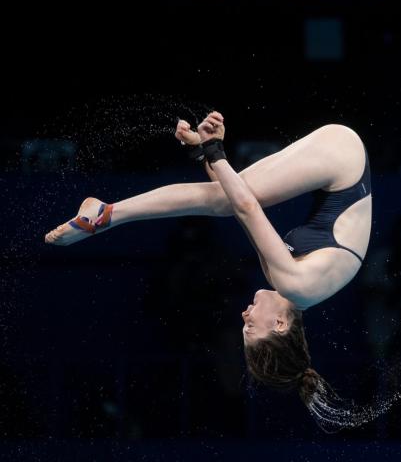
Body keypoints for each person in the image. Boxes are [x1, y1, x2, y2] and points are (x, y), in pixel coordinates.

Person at [44, 112, 372, 426]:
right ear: (279, 324)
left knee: (221, 200)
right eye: (250, 329)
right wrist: (214, 152)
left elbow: (237, 201)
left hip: (340, 162)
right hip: (342, 159)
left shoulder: (283, 283)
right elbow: (245, 206)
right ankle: (106, 216)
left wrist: (204, 154)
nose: (244, 318)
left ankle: (106, 214)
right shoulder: (296, 285)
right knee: (224, 202)